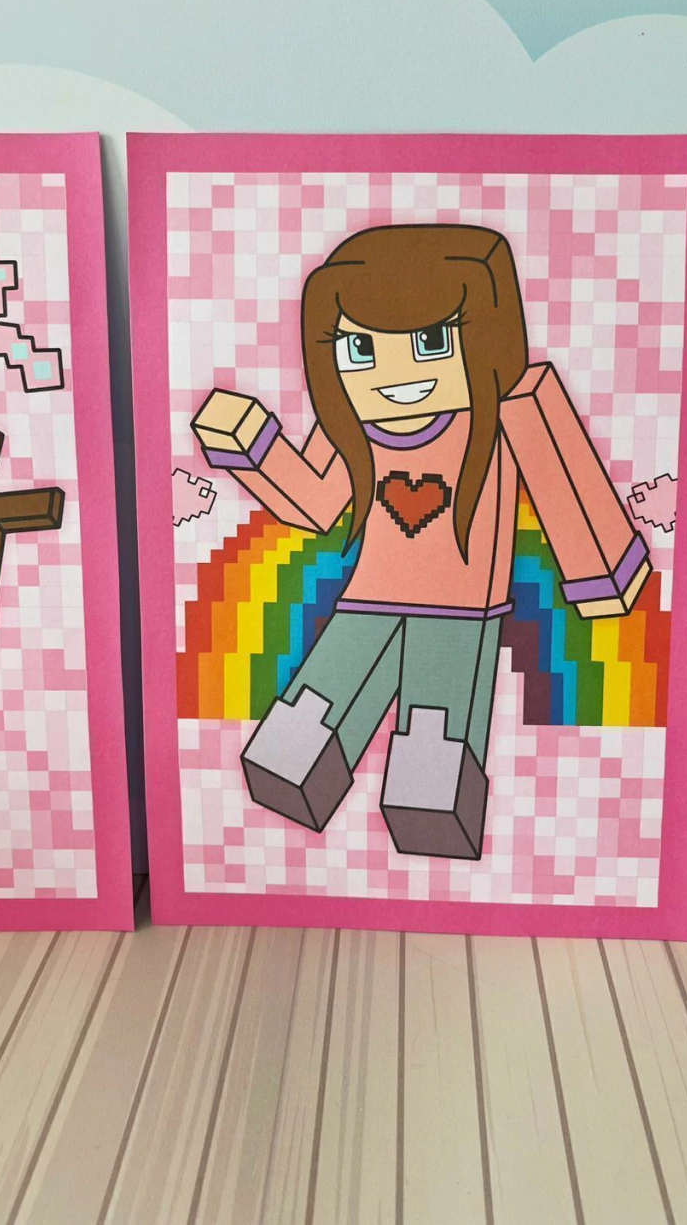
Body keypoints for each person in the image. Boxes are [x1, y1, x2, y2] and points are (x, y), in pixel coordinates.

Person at [193, 224, 649, 859]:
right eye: (359, 348)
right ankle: (299, 802)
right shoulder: (352, 428)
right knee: (299, 733)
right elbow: (316, 503)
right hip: (365, 603)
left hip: (459, 613)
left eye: (432, 342)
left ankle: (433, 831)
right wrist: (252, 448)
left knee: (430, 760)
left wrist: (604, 580)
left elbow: (567, 491)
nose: (395, 375)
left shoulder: (511, 411)